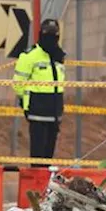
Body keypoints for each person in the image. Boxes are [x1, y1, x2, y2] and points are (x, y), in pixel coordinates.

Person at [14, 18, 66, 163]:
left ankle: (45, 184)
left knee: (48, 157)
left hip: (54, 112)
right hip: (37, 112)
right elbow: (18, 84)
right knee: (38, 156)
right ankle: (36, 183)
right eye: (48, 34)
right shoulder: (29, 56)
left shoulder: (58, 55)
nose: (51, 38)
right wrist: (27, 104)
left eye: (54, 35)